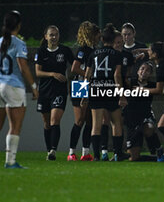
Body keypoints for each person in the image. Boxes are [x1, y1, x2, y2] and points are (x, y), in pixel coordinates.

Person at [0, 10, 38, 169]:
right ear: (18, 25)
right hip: (12, 86)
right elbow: (23, 67)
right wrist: (33, 86)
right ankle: (10, 161)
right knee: (15, 126)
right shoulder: (18, 43)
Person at [82, 23, 128, 161]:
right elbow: (117, 75)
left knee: (96, 124)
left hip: (95, 88)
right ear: (113, 40)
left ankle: (96, 155)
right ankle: (117, 153)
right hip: (110, 89)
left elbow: (87, 75)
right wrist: (121, 94)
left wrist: (84, 94)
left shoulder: (93, 54)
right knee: (116, 122)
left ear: (102, 40)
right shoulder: (117, 54)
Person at [35, 25, 74, 161]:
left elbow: (75, 65)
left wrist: (71, 76)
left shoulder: (65, 51)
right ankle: (48, 150)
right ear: (46, 37)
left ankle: (53, 150)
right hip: (44, 91)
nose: (54, 37)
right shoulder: (41, 52)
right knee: (46, 123)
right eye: (51, 35)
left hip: (59, 91)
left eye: (56, 34)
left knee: (54, 120)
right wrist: (53, 74)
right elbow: (38, 72)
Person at [121, 22, 159, 155]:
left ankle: (157, 152)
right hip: (128, 96)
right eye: (124, 34)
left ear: (134, 34)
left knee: (148, 128)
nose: (126, 37)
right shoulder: (119, 49)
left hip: (142, 102)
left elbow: (153, 53)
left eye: (129, 34)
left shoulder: (142, 48)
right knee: (113, 120)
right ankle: (114, 151)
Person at [67, 21, 101, 161]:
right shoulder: (84, 50)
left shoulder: (94, 49)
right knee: (80, 119)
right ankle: (71, 153)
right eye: (97, 34)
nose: (99, 37)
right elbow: (74, 68)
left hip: (88, 85)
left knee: (89, 120)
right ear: (92, 35)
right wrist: (88, 75)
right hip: (80, 85)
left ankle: (85, 152)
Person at [100, 30, 134, 161]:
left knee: (118, 121)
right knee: (105, 120)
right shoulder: (108, 55)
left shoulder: (126, 56)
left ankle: (116, 152)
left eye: (121, 42)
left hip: (121, 92)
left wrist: (128, 86)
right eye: (117, 42)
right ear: (111, 43)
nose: (120, 45)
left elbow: (128, 75)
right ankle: (104, 151)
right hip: (108, 90)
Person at [124, 61, 164, 162]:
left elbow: (161, 91)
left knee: (148, 128)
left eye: (148, 70)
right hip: (132, 120)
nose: (144, 71)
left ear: (151, 74)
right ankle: (156, 158)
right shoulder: (131, 82)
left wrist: (142, 89)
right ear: (138, 71)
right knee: (133, 158)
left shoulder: (153, 85)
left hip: (146, 116)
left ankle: (159, 151)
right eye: (142, 69)